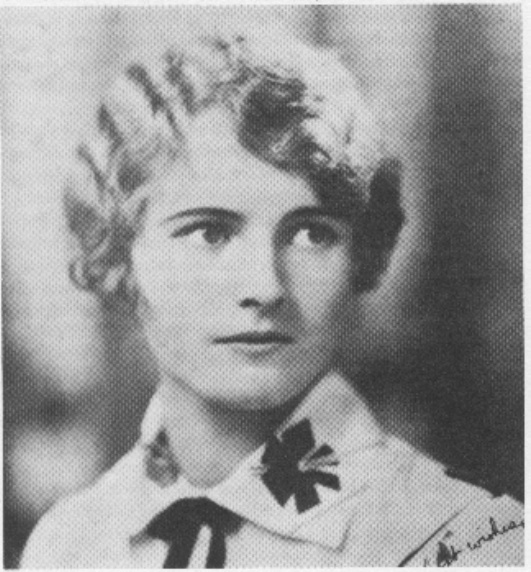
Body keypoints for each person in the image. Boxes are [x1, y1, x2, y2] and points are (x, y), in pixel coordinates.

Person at [21, 30, 523, 568]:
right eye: (210, 232)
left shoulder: (470, 542)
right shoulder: (68, 545)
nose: (265, 287)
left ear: (360, 257)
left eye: (311, 233)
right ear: (123, 256)